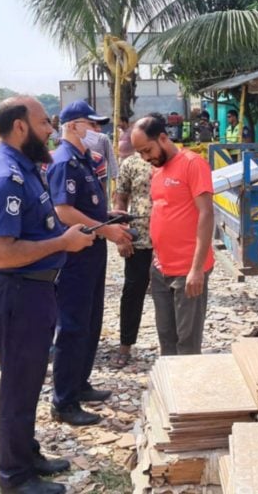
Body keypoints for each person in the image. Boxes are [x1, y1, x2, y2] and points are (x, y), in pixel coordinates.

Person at [0, 96, 94, 494]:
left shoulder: (25, 168)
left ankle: (26, 454)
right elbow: (0, 252)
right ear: (21, 127)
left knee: (27, 383)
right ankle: (14, 476)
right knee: (18, 387)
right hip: (17, 294)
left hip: (33, 292)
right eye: (45, 123)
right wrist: (61, 242)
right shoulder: (4, 177)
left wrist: (60, 243)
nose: (51, 130)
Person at [48, 101, 132, 426]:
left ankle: (79, 384)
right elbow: (64, 211)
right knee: (71, 327)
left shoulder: (83, 159)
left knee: (90, 322)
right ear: (73, 126)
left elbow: (86, 206)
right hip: (75, 256)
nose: (97, 132)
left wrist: (107, 218)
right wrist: (106, 229)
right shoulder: (64, 161)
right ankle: (63, 401)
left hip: (93, 252)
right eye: (91, 125)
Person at [131, 113, 214, 356]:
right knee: (166, 338)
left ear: (164, 138)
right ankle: (171, 390)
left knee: (187, 344)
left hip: (188, 269)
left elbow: (206, 214)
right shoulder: (158, 169)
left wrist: (197, 269)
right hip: (161, 268)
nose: (146, 158)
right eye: (141, 154)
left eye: (148, 150)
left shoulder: (192, 164)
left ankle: (187, 391)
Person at [111, 151, 153, 367]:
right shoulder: (131, 163)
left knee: (173, 296)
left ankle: (175, 349)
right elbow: (121, 200)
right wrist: (121, 236)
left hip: (169, 243)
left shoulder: (174, 162)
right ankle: (125, 345)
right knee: (132, 294)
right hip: (139, 241)